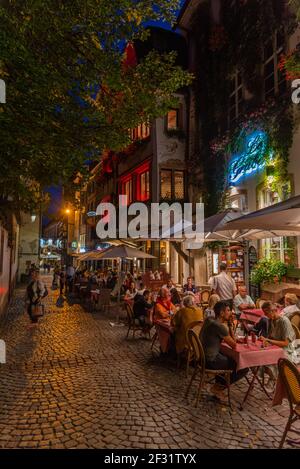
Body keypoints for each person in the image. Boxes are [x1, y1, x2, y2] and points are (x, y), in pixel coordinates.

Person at [200, 301, 248, 400]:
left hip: (201, 356)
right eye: (228, 310)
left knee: (229, 358)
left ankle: (218, 385)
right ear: (221, 313)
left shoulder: (209, 320)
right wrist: (230, 324)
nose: (231, 312)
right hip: (210, 360)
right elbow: (234, 344)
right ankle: (218, 388)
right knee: (243, 367)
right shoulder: (219, 326)